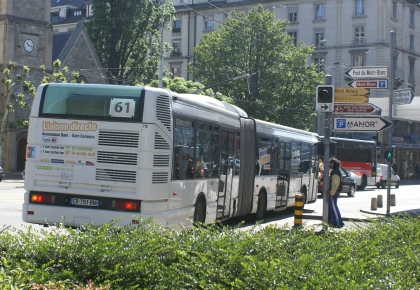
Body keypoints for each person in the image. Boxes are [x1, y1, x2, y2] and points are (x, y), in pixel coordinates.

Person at [329, 157, 344, 228]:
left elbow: (335, 184)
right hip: (335, 192)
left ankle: (337, 222)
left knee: (333, 207)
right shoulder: (337, 171)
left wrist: (332, 193)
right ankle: (337, 221)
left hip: (334, 193)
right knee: (333, 206)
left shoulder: (335, 172)